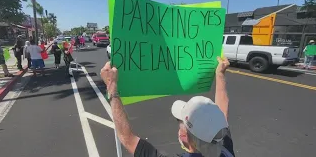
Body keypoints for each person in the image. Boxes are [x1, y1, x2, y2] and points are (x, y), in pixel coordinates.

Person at [100, 57, 235, 157]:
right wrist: (220, 74)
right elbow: (222, 113)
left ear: (184, 136)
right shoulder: (225, 150)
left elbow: (127, 138)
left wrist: (111, 85)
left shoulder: (224, 140)